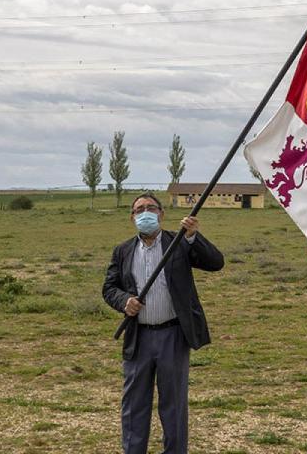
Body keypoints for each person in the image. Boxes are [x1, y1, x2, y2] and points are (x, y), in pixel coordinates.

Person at [103, 192, 224, 454]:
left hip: (173, 335)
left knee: (173, 404)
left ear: (161, 213)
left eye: (151, 208)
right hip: (138, 338)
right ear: (132, 217)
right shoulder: (123, 251)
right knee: (134, 404)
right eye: (139, 210)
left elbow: (216, 263)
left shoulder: (178, 242)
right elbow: (109, 288)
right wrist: (124, 301)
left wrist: (192, 236)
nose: (145, 213)